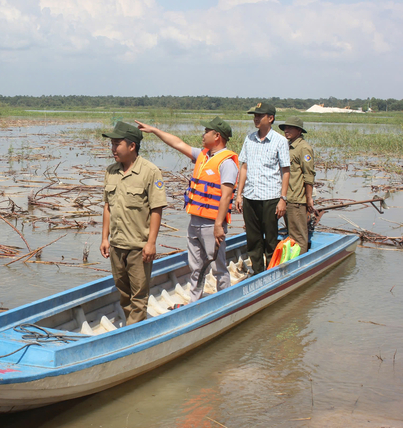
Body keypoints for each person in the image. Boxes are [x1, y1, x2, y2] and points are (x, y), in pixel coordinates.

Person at [136, 117, 238, 302]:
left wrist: (218, 225)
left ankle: (225, 300)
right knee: (196, 266)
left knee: (218, 266)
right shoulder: (203, 156)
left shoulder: (227, 163)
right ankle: (195, 301)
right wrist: (155, 131)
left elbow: (225, 196)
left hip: (212, 224)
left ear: (217, 136)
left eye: (206, 131)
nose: (203, 134)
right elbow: (177, 143)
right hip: (195, 221)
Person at [100, 121, 167, 325]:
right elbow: (107, 206)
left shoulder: (150, 172)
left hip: (139, 247)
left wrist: (151, 243)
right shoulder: (111, 171)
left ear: (132, 146)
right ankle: (131, 324)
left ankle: (133, 332)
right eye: (111, 144)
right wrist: (104, 238)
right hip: (117, 245)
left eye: (117, 144)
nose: (113, 149)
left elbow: (157, 209)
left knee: (139, 296)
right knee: (123, 292)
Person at [235, 102, 290, 274]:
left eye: (260, 116)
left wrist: (283, 199)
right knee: (253, 238)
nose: (256, 119)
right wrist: (239, 194)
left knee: (271, 238)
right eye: (255, 116)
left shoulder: (280, 141)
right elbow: (244, 167)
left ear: (270, 118)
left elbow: (285, 171)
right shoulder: (249, 139)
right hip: (251, 196)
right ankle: (258, 271)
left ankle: (271, 271)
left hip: (271, 197)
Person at [279, 116, 315, 254]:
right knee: (291, 233)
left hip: (296, 199)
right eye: (285, 128)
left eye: (289, 128)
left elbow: (309, 175)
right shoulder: (287, 146)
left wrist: (309, 198)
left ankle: (300, 264)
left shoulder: (304, 148)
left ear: (299, 130)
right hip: (286, 197)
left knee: (298, 237)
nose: (286, 130)